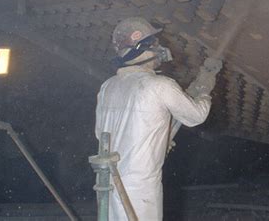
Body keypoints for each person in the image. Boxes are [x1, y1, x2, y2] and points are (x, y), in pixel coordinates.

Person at [95, 17, 222, 220]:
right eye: (153, 43)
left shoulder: (108, 86)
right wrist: (205, 88)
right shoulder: (159, 85)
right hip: (141, 188)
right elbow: (196, 116)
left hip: (110, 183)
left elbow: (102, 134)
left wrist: (158, 141)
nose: (158, 48)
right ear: (141, 47)